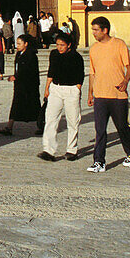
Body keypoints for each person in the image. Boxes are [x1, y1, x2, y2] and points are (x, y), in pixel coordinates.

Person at [86, 17, 130, 172]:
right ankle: (99, 161)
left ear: (104, 30)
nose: (93, 33)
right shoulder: (94, 49)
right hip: (100, 95)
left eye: (95, 30)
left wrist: (126, 80)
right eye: (92, 29)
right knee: (100, 130)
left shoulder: (119, 44)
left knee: (122, 127)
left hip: (117, 95)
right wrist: (90, 93)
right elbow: (92, 73)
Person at [39, 31, 84, 161]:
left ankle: (71, 150)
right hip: (56, 89)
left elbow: (80, 76)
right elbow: (51, 71)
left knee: (73, 120)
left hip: (71, 90)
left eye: (62, 45)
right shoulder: (54, 54)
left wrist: (77, 89)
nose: (59, 47)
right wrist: (47, 88)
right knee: (51, 119)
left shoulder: (76, 57)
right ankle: (48, 149)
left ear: (69, 45)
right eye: (57, 44)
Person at [0, 34, 41, 136]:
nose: (17, 46)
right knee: (16, 104)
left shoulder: (31, 55)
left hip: (30, 85)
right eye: (17, 43)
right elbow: (18, 69)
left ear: (26, 44)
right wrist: (15, 76)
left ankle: (42, 125)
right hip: (20, 85)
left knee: (34, 105)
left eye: (19, 43)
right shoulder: (19, 54)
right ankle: (9, 127)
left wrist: (16, 76)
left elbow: (28, 71)